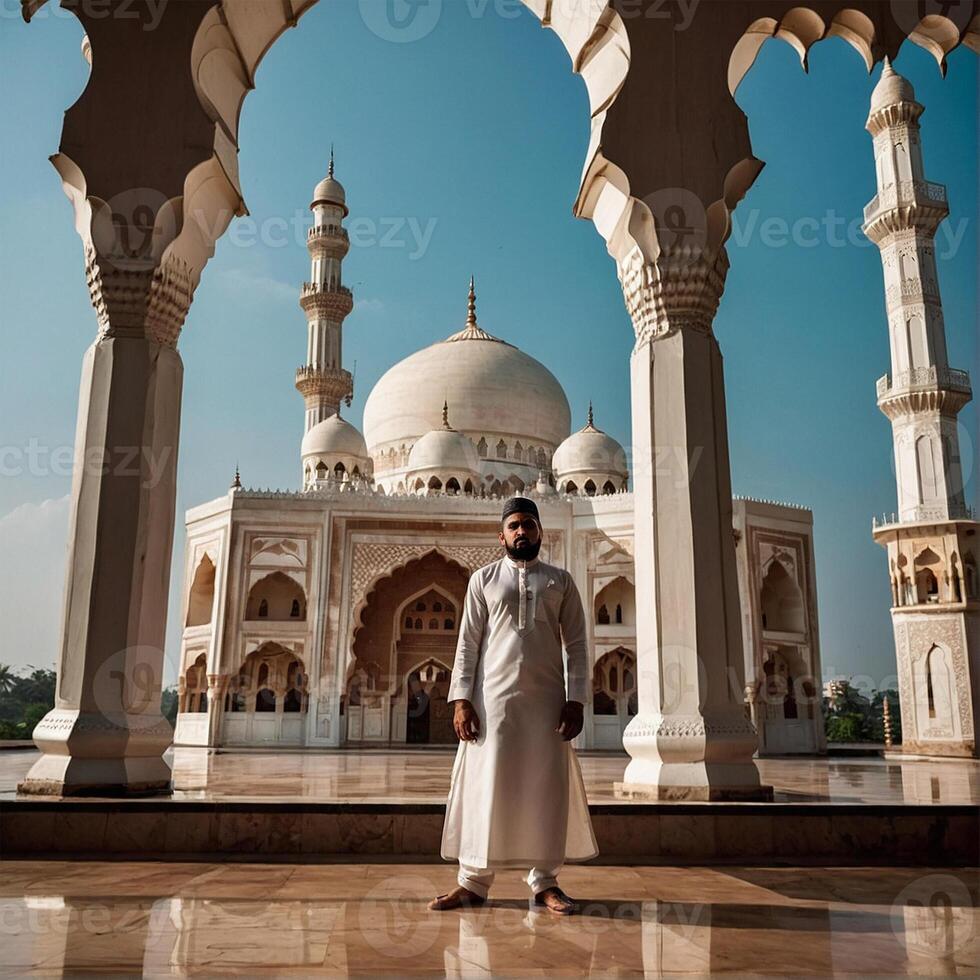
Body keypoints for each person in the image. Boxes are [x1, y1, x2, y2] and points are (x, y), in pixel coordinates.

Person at [428, 496, 598, 914]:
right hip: (493, 703)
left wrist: (575, 700)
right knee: (486, 786)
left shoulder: (561, 581)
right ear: (501, 535)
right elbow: (467, 644)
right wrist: (461, 700)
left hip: (545, 704)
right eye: (514, 526)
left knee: (543, 788)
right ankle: (472, 882)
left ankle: (544, 882)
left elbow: (576, 645)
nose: (522, 532)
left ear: (540, 532)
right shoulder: (483, 580)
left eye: (529, 525)